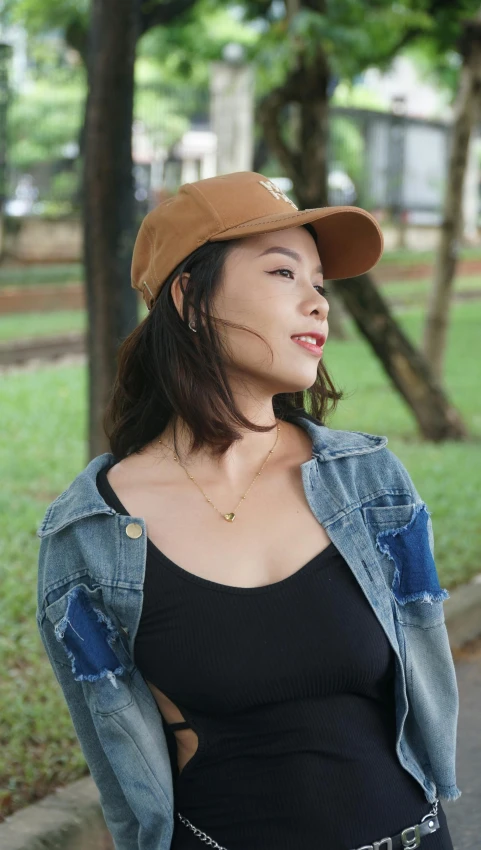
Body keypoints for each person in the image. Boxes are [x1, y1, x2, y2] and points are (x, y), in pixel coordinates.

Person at [36, 171, 461, 850]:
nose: (317, 302)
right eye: (282, 273)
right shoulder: (89, 536)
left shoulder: (371, 485)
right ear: (190, 298)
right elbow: (125, 779)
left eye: (318, 281)